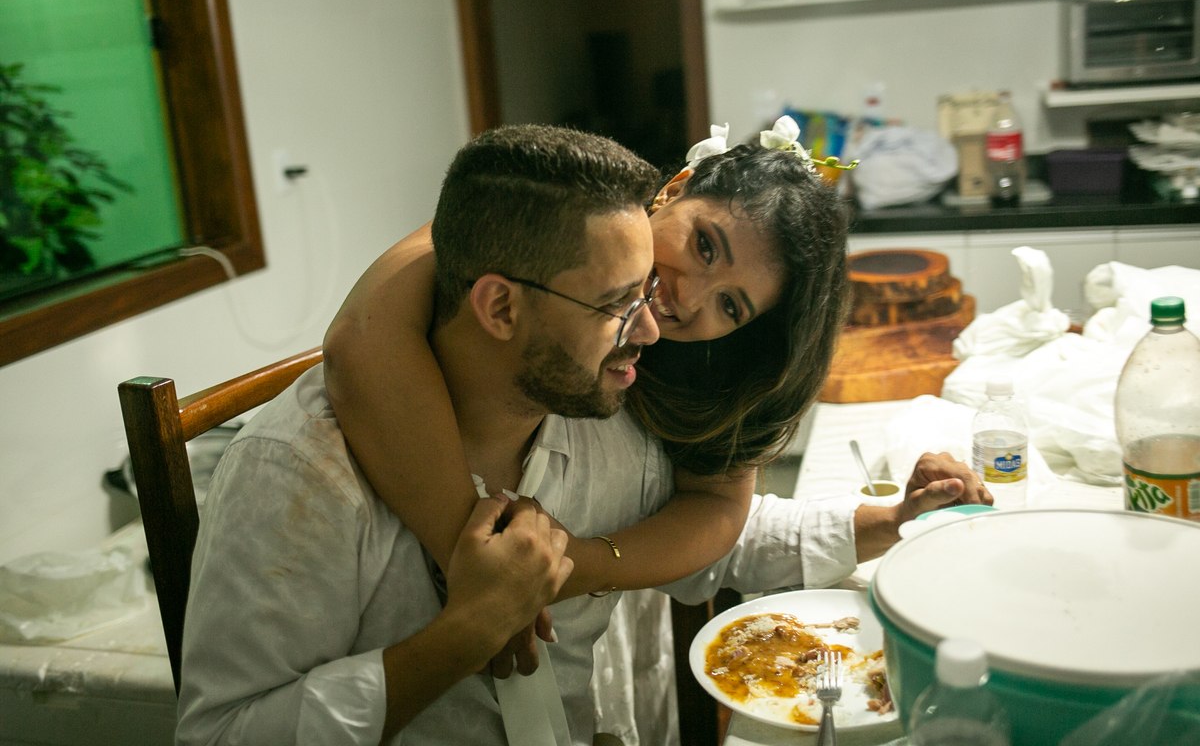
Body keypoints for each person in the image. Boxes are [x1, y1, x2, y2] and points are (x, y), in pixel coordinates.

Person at [177, 125, 987, 746]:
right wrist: (466, 631)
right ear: (500, 308)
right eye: (619, 300)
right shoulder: (303, 474)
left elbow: (708, 528)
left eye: (730, 306)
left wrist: (881, 520)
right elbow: (219, 735)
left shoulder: (604, 411)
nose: (663, 321)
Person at [322, 120, 854, 634]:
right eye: (705, 246)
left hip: (597, 598)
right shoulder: (562, 216)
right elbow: (362, 334)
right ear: (674, 190)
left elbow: (719, 507)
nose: (687, 299)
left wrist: (582, 564)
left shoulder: (719, 363)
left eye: (732, 306)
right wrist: (473, 560)